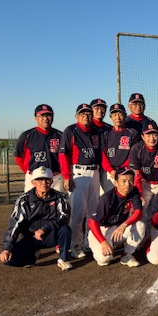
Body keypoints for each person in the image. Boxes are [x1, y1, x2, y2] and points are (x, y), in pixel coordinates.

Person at [0, 166, 72, 271]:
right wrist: (7, 248)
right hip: (31, 238)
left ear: (51, 182)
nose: (44, 183)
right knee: (9, 260)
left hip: (51, 235)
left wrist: (44, 229)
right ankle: (31, 256)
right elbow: (15, 224)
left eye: (47, 180)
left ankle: (63, 259)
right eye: (39, 180)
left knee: (65, 229)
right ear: (33, 183)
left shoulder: (60, 198)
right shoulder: (23, 200)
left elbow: (64, 217)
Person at [59, 103, 102, 259]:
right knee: (78, 212)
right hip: (79, 173)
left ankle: (89, 242)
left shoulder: (96, 131)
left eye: (88, 113)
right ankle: (75, 245)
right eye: (82, 114)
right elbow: (63, 155)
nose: (86, 116)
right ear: (76, 116)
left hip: (95, 172)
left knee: (93, 211)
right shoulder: (71, 130)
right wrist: (66, 176)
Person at [87, 167, 145, 268]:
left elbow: (138, 213)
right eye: (124, 181)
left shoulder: (133, 191)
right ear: (116, 183)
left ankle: (126, 254)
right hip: (102, 230)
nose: (128, 184)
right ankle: (98, 244)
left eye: (130, 181)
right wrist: (103, 242)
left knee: (140, 225)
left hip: (118, 227)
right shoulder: (107, 198)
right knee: (104, 259)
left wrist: (124, 225)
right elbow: (92, 222)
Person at [129, 122, 158, 221]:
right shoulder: (136, 149)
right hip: (145, 183)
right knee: (138, 210)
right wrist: (139, 194)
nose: (152, 138)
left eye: (155, 134)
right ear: (142, 136)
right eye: (148, 135)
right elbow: (137, 174)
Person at [14, 104, 64, 192]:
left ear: (53, 117)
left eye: (48, 115)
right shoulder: (27, 136)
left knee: (56, 200)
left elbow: (65, 156)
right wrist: (29, 171)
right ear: (35, 118)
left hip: (55, 177)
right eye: (42, 116)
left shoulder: (60, 135)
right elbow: (18, 157)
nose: (45, 118)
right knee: (32, 200)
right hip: (34, 177)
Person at [100, 103, 141, 192]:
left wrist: (123, 169)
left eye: (120, 114)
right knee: (107, 197)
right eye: (114, 114)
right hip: (109, 173)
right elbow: (102, 154)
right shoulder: (106, 134)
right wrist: (111, 170)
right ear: (110, 116)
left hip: (126, 171)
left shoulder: (133, 133)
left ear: (125, 116)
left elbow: (133, 154)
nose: (117, 117)